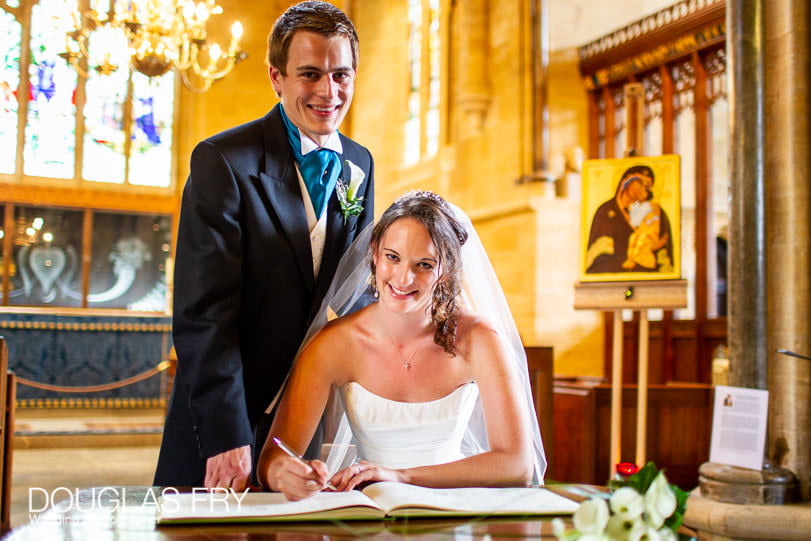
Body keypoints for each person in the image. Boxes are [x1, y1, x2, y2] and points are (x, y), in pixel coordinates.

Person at [154, 1, 374, 490]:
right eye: (310, 74)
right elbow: (204, 313)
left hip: (313, 421)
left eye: (341, 75)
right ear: (277, 77)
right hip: (231, 419)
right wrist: (225, 433)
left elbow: (357, 292)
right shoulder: (223, 160)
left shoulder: (360, 164)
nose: (328, 91)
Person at [257, 191, 546, 501]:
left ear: (446, 270)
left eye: (423, 264)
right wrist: (284, 473)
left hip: (454, 509)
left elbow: (516, 464)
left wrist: (400, 478)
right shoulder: (335, 344)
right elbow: (273, 458)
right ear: (375, 254)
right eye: (392, 257)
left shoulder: (479, 339)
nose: (403, 278)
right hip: (367, 511)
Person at [585, 165, 673, 274]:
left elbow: (664, 258)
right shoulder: (606, 212)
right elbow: (598, 258)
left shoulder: (656, 213)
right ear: (626, 181)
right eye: (640, 183)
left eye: (648, 186)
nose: (643, 190)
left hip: (648, 281)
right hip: (612, 282)